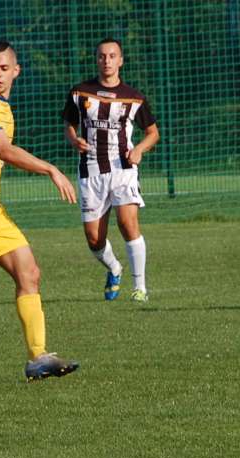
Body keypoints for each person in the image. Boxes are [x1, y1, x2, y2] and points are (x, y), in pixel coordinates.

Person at [0, 41, 80, 381]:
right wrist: (51, 169)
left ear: (16, 70)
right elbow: (4, 151)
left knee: (30, 273)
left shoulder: (2, 106)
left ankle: (38, 357)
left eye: (3, 67)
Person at [62, 38, 159, 303]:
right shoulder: (80, 93)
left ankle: (140, 288)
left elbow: (152, 133)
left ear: (121, 60)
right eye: (102, 56)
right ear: (97, 60)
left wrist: (139, 149)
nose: (107, 60)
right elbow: (69, 125)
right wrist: (73, 139)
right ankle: (115, 268)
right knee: (94, 239)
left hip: (123, 169)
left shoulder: (134, 97)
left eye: (112, 56)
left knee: (128, 224)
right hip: (91, 171)